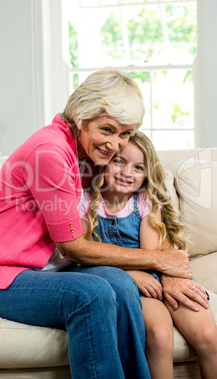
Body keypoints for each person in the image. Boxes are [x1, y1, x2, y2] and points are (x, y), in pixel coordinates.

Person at [0, 68, 208, 379]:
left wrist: (168, 271)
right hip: (1, 278)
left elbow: (150, 200)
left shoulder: (86, 153)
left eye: (125, 133)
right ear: (80, 115)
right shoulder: (51, 152)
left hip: (48, 273)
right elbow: (73, 247)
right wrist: (159, 260)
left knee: (119, 283)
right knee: (92, 293)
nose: (116, 144)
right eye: (107, 129)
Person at [79, 130, 217, 379]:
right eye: (119, 161)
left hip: (155, 273)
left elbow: (151, 255)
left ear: (146, 175)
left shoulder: (145, 202)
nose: (126, 172)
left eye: (138, 167)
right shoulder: (86, 202)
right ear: (103, 161)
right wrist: (131, 275)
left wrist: (158, 275)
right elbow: (83, 255)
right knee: (161, 337)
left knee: (209, 337)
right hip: (132, 285)